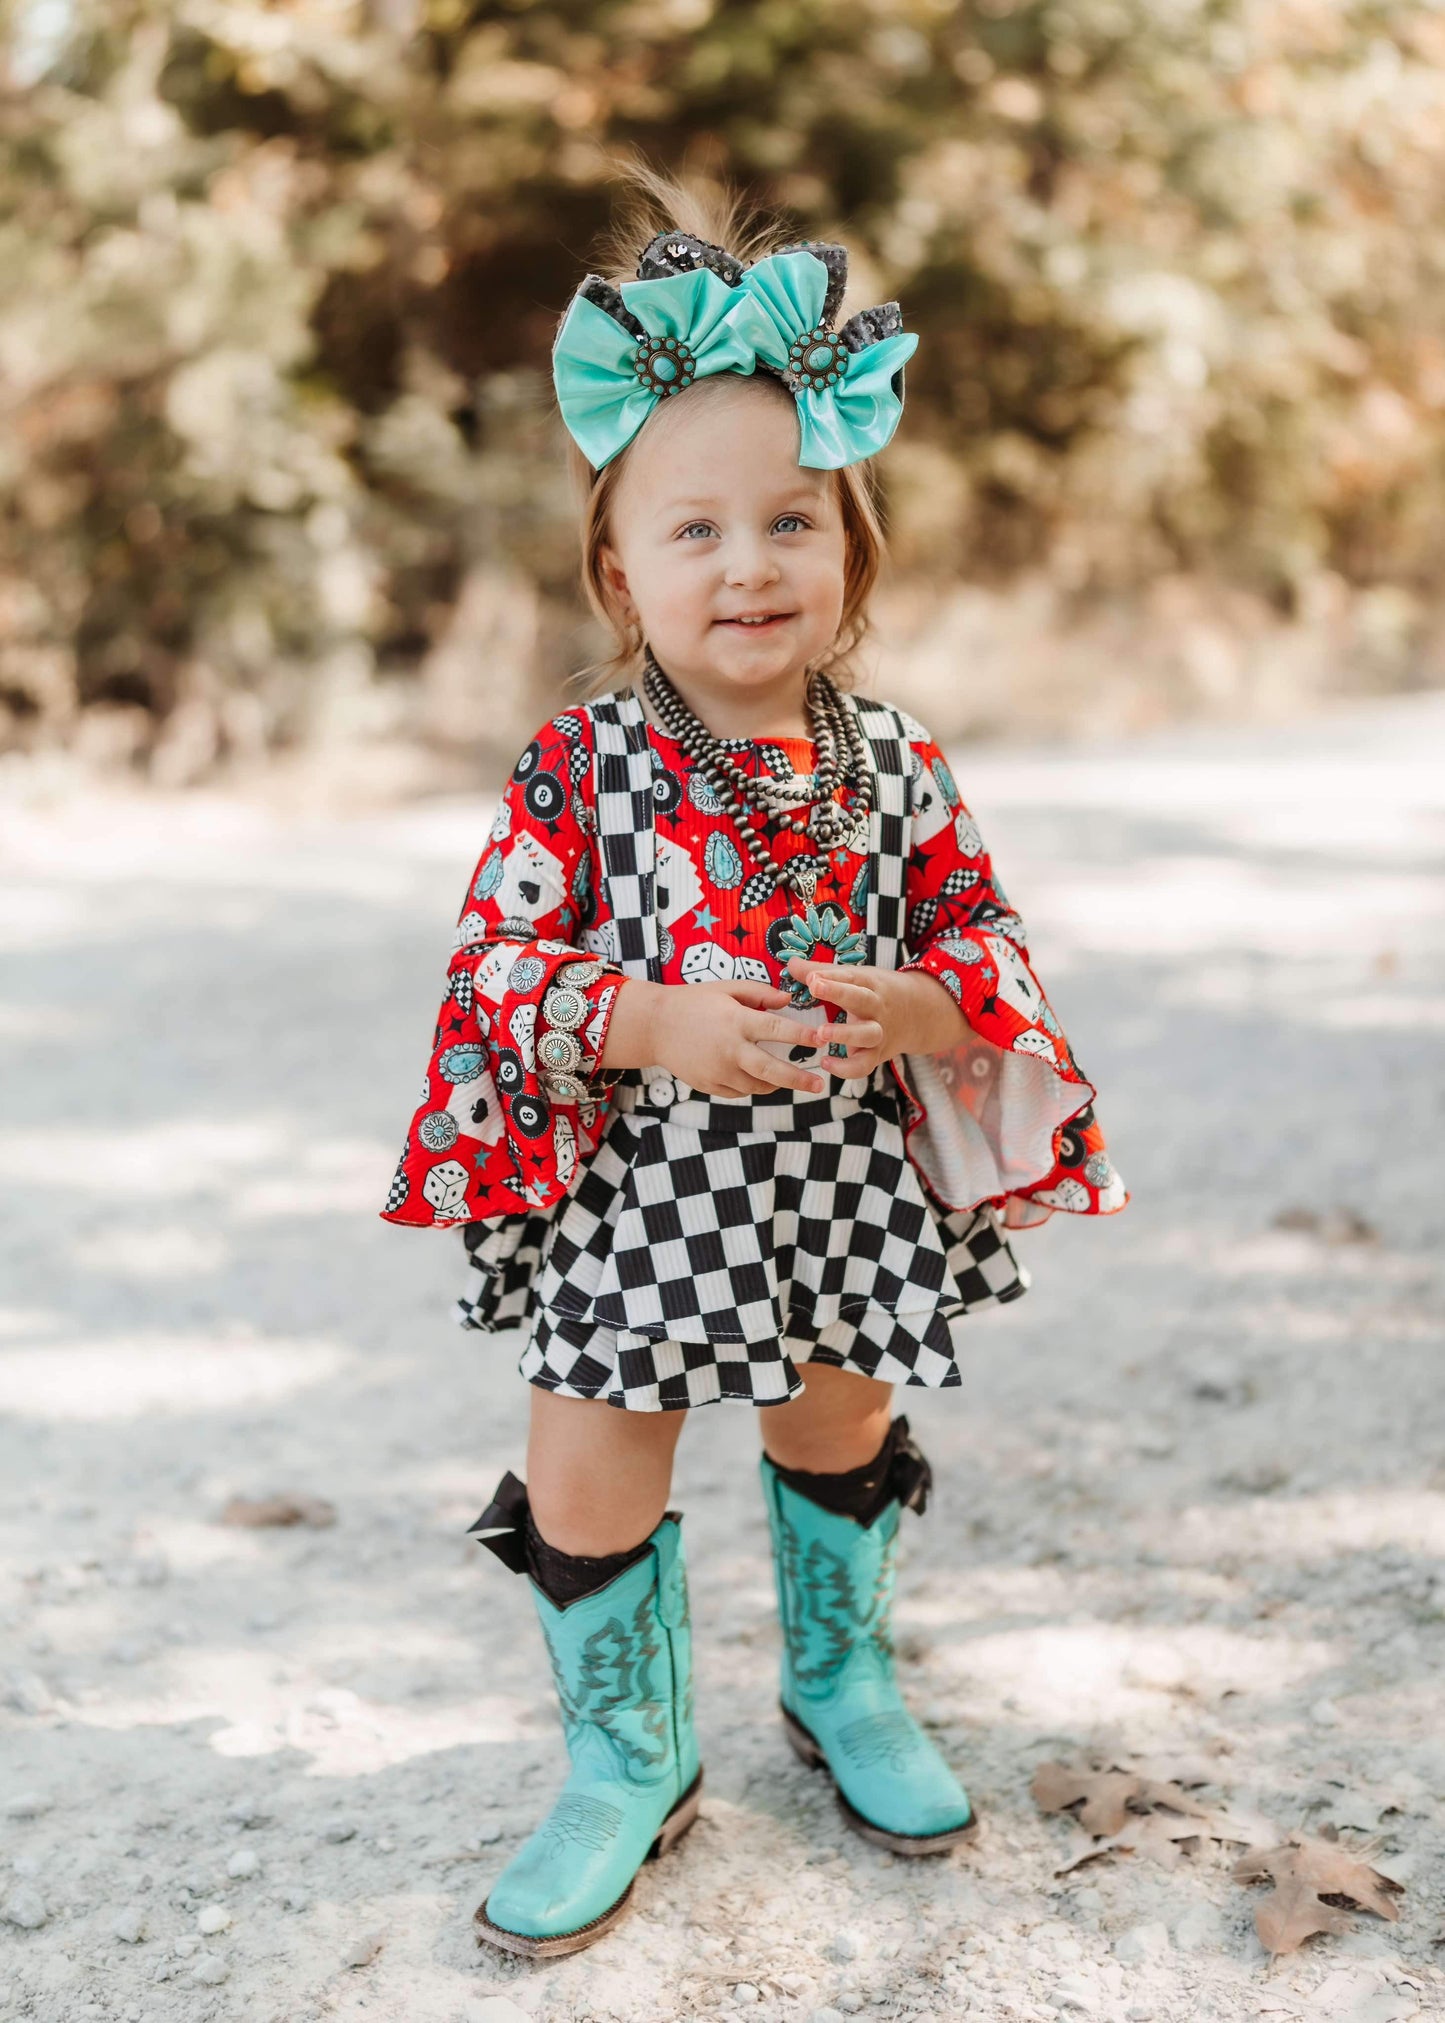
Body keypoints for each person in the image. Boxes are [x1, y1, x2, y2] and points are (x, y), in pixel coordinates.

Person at [380, 168, 1127, 1960]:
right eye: (693, 531)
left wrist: (931, 1009)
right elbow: (492, 975)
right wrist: (649, 1023)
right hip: (640, 1191)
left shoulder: (898, 761)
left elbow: (994, 945)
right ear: (615, 561)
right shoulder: (581, 766)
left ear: (851, 547)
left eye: (791, 522)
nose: (747, 564)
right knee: (587, 1460)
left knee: (837, 1418)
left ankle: (840, 1676)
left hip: (841, 1186)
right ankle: (626, 1754)